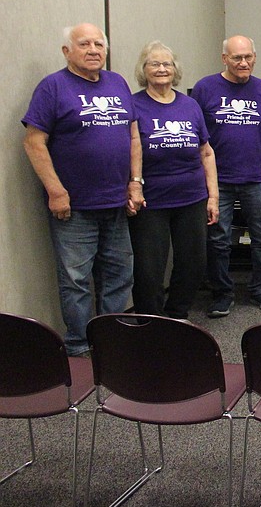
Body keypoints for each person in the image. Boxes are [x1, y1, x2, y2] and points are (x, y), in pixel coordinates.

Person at [23, 24, 144, 356]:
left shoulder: (118, 83)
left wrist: (135, 182)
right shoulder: (53, 88)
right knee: (76, 280)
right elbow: (34, 142)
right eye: (84, 44)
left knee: (119, 274)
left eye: (99, 44)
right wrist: (55, 190)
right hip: (73, 206)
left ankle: (111, 338)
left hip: (117, 202)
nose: (94, 49)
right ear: (67, 51)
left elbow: (133, 136)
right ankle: (78, 344)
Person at [191, 35, 261, 317]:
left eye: (248, 57)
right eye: (236, 58)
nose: (243, 63)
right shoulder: (205, 89)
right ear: (224, 59)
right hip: (217, 182)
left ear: (254, 57)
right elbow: (195, 137)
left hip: (256, 177)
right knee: (218, 240)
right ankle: (221, 293)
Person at [128, 41, 219, 318]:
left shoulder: (190, 105)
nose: (161, 69)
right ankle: (152, 322)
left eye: (167, 64)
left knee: (193, 263)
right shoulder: (133, 104)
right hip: (150, 201)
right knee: (149, 269)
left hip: (191, 197)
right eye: (154, 64)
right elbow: (128, 149)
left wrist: (213, 196)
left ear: (175, 69)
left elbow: (206, 152)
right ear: (144, 69)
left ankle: (177, 315)